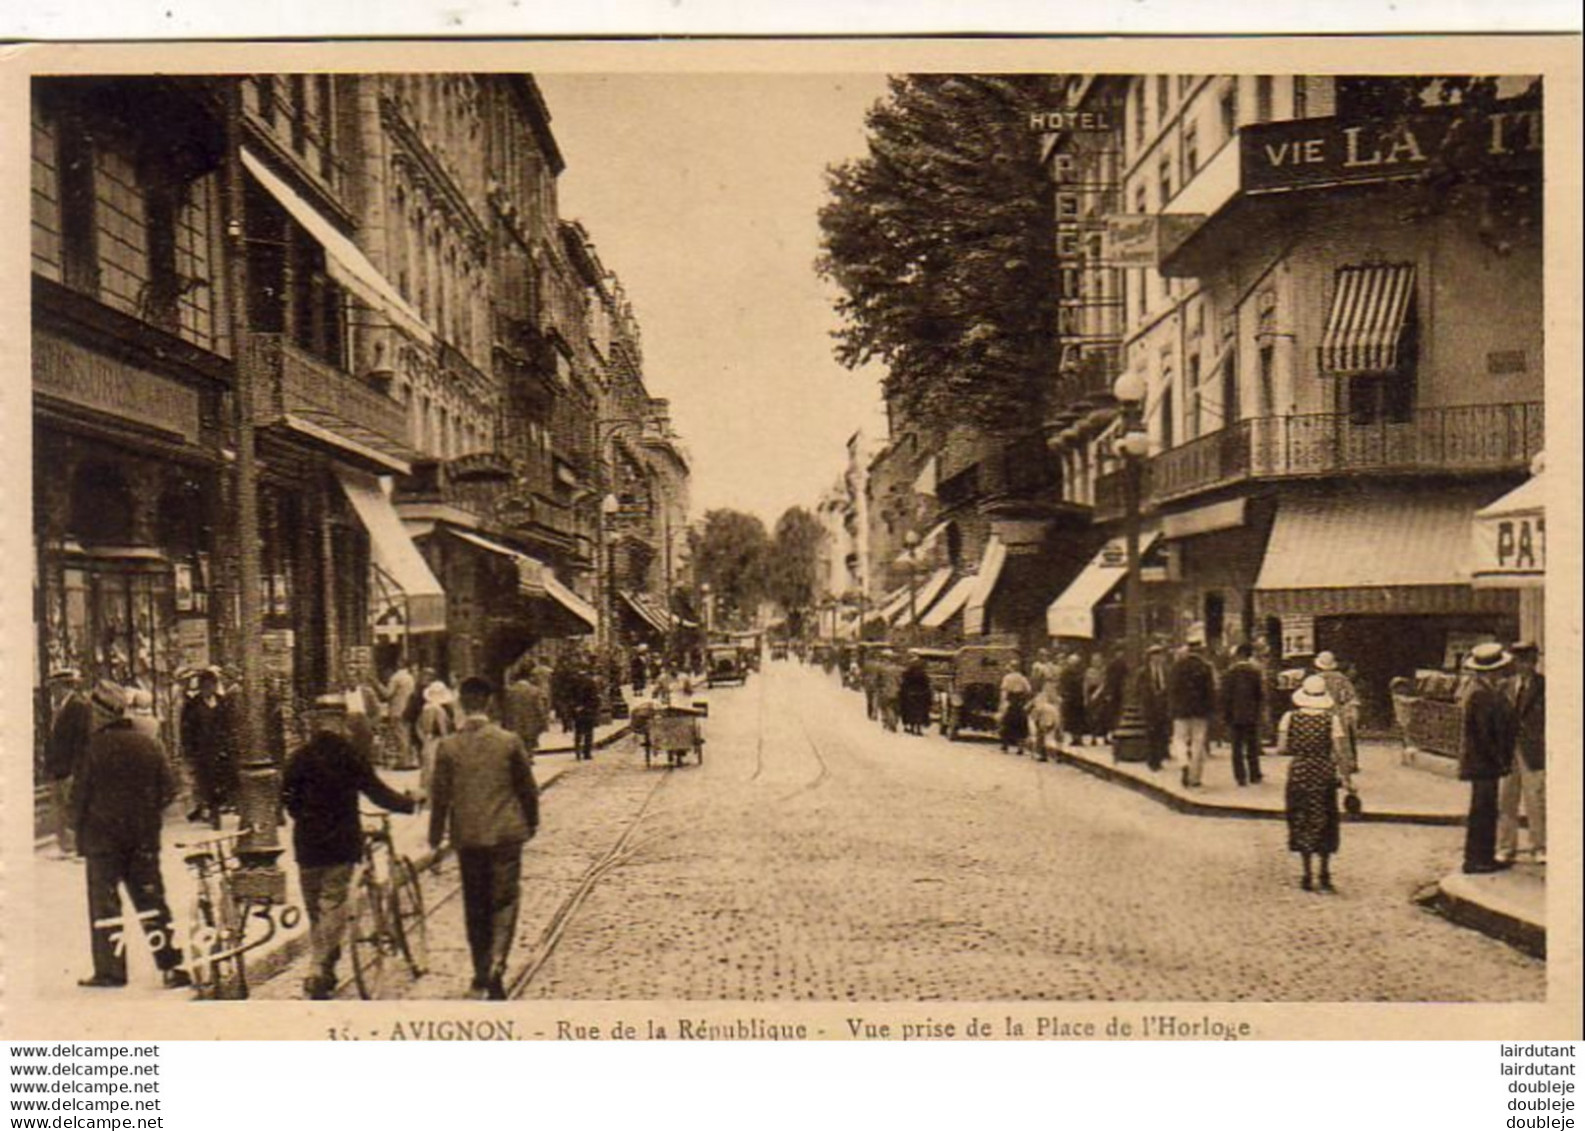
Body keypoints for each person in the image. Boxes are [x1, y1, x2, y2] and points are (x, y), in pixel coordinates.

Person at [282, 695, 415, 999]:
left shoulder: (299, 756)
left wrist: (305, 816)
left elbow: (287, 798)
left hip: (307, 844)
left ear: (316, 721)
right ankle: (318, 968)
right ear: (341, 722)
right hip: (341, 842)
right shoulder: (350, 754)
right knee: (333, 903)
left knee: (316, 907)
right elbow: (377, 793)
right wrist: (408, 804)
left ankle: (325, 968)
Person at [72, 680, 191, 989]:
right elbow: (169, 790)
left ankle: (111, 971)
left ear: (100, 714)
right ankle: (172, 965)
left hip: (103, 841)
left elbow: (79, 797)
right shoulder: (149, 744)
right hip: (142, 839)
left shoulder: (93, 748)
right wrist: (146, 814)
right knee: (152, 901)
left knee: (106, 906)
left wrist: (80, 831)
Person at [428, 677, 539, 1000]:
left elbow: (440, 797)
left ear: (462, 704)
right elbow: (527, 789)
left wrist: (435, 840)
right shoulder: (509, 741)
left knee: (475, 904)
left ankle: (480, 969)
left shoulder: (448, 747)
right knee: (504, 900)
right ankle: (498, 963)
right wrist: (530, 824)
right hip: (506, 835)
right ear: (489, 703)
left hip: (469, 838)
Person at [1278, 674, 1348, 893]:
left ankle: (1307, 873)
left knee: (1301, 817)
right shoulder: (1331, 720)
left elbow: (1281, 748)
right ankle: (1325, 873)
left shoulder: (1289, 718)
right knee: (1326, 817)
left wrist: (1300, 747)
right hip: (1323, 771)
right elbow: (1339, 752)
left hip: (1299, 770)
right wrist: (1348, 779)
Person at [1458, 643, 1517, 874]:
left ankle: (1480, 856)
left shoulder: (1479, 689)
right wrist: (1500, 760)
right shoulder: (1480, 694)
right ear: (1491, 671)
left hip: (1481, 761)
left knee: (1483, 809)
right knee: (1483, 810)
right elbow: (1485, 733)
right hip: (1483, 762)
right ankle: (1477, 859)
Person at [1498, 642, 1545, 865]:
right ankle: (1506, 847)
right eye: (1519, 660)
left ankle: (1540, 846)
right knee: (1507, 799)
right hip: (1508, 749)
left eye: (1527, 660)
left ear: (1535, 661)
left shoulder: (1544, 686)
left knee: (1535, 798)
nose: (1523, 665)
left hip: (1533, 749)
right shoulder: (1505, 686)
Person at [44, 666, 93, 859]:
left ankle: (73, 846)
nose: (53, 691)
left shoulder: (78, 706)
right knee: (61, 806)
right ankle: (65, 846)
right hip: (59, 766)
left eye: (54, 687)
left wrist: (76, 769)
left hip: (69, 767)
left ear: (63, 686)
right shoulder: (62, 706)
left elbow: (81, 741)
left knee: (70, 805)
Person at [179, 668, 232, 829]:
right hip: (202, 750)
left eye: (212, 685)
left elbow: (230, 725)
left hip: (222, 749)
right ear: (201, 687)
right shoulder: (192, 705)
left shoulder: (223, 702)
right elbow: (186, 729)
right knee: (207, 782)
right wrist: (189, 749)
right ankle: (212, 811)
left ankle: (214, 809)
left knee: (221, 781)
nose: (209, 689)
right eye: (206, 686)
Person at [1168, 628, 1217, 788]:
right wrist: (1211, 710)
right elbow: (1210, 691)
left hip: (1181, 711)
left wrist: (1173, 707)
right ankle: (1195, 778)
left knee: (1179, 739)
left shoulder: (1178, 666)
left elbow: (1172, 689)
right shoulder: (1205, 667)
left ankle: (1183, 763)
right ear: (1200, 650)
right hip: (1200, 712)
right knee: (1198, 742)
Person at [1221, 644, 1266, 786]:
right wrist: (1259, 711)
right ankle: (1255, 775)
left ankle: (1240, 777)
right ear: (1249, 656)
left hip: (1235, 715)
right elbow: (1259, 695)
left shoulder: (1229, 673)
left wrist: (1226, 715)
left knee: (1237, 747)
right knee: (1252, 745)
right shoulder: (1255, 672)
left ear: (1238, 655)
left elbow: (1225, 696)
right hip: (1251, 714)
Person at [1311, 651, 1360, 776]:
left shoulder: (1315, 679)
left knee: (1321, 742)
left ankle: (1322, 770)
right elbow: (1350, 696)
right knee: (1340, 742)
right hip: (1338, 712)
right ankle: (1343, 770)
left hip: (1318, 711)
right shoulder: (1342, 678)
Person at [416, 680, 455, 802]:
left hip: (428, 741)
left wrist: (424, 739)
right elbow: (443, 729)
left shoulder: (425, 708)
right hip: (437, 741)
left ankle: (425, 797)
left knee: (427, 769)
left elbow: (418, 726)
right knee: (435, 770)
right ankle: (434, 799)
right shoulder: (438, 710)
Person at [501, 664, 551, 755]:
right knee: (528, 748)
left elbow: (505, 709)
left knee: (518, 748)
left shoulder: (510, 691)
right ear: (529, 677)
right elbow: (539, 708)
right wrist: (544, 722)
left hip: (514, 724)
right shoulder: (535, 691)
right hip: (531, 725)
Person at [1138, 644, 1172, 771]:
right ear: (1150, 657)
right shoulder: (1143, 672)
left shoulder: (1166, 671)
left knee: (1162, 732)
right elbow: (1139, 689)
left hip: (1163, 706)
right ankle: (1153, 761)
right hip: (1150, 707)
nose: (1157, 658)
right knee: (1151, 733)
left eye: (1159, 655)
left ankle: (1161, 755)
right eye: (1154, 655)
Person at [383, 658, 418, 770]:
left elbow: (387, 694)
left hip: (397, 709)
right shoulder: (410, 678)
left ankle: (403, 761)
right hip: (408, 709)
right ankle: (408, 759)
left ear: (400, 664)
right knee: (406, 735)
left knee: (400, 736)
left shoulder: (396, 677)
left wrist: (376, 684)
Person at [567, 661, 602, 761]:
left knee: (578, 730)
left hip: (576, 710)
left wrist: (574, 707)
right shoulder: (590, 682)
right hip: (588, 709)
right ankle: (587, 753)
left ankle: (577, 751)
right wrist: (593, 707)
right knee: (588, 732)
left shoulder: (573, 681)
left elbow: (568, 696)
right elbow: (594, 697)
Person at [998, 661, 1033, 754]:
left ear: (1011, 668)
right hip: (1020, 702)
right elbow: (1029, 690)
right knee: (1021, 723)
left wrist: (1003, 703)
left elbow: (1004, 691)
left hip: (1011, 701)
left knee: (1006, 722)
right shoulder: (1022, 678)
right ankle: (1020, 747)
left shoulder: (1007, 678)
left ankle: (1005, 745)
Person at [899, 652, 933, 736]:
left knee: (909, 710)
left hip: (910, 694)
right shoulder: (923, 674)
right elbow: (927, 684)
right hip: (921, 694)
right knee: (921, 711)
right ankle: (918, 728)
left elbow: (904, 683)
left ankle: (911, 727)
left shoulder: (908, 673)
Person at [1058, 654, 1089, 747]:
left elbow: (1083, 685)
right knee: (1071, 719)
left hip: (1077, 698)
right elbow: (1062, 684)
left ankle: (1078, 737)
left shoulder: (1078, 673)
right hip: (1071, 698)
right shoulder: (1066, 673)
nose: (1074, 665)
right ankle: (1075, 738)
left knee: (1078, 719)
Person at [1082, 654, 1107, 744]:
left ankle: (1105, 736)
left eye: (1098, 660)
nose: (1096, 662)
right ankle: (1094, 737)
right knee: (1092, 717)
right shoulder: (1089, 671)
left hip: (1100, 693)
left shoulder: (1103, 670)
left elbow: (1104, 683)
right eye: (1094, 660)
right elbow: (1085, 684)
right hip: (1091, 692)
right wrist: (1085, 697)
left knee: (1102, 715)